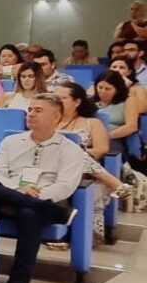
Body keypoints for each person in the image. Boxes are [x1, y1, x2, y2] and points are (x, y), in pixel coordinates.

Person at [0, 94, 85, 283]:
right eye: (30, 109)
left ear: (56, 116)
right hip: (6, 196)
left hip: (38, 200)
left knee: (29, 214)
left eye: (38, 110)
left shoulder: (70, 150)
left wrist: (34, 196)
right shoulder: (11, 142)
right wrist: (18, 190)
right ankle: (54, 212)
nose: (30, 114)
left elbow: (65, 186)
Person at [56, 82, 132, 236]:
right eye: (55, 97)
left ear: (76, 102)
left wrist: (75, 152)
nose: (57, 101)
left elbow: (101, 149)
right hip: (51, 166)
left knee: (74, 153)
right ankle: (114, 183)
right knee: (71, 151)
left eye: (62, 98)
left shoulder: (92, 123)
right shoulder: (47, 121)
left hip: (81, 170)